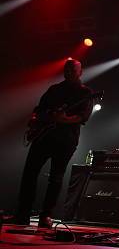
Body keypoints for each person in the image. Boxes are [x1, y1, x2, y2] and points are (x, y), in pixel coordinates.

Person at [15, 59, 94, 228]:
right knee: (30, 173)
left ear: (80, 72)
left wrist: (65, 119)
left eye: (73, 70)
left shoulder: (85, 93)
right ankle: (23, 213)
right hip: (44, 136)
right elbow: (39, 109)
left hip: (65, 140)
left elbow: (83, 117)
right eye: (67, 69)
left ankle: (46, 216)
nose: (69, 72)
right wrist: (35, 120)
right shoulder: (54, 89)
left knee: (56, 177)